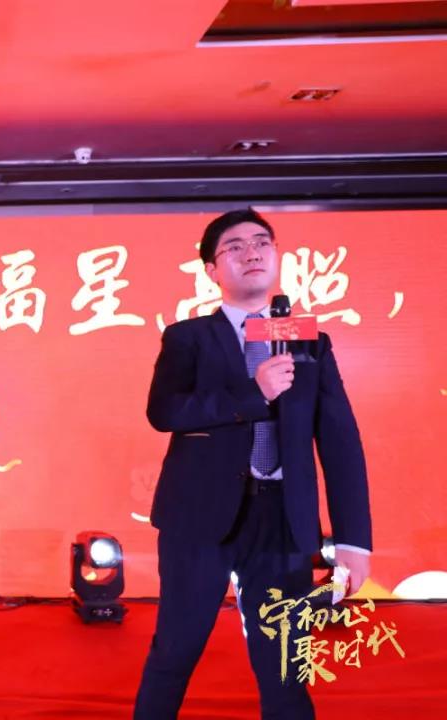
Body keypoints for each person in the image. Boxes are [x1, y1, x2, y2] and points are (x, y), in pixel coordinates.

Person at [133, 209, 372, 719]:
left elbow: (340, 441)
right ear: (212, 269)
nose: (252, 253)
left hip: (283, 520)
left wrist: (354, 541)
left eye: (262, 242)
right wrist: (253, 393)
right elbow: (165, 412)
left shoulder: (309, 340)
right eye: (235, 247)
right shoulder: (188, 337)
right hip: (198, 518)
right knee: (175, 649)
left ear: (277, 257)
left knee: (285, 663)